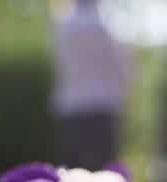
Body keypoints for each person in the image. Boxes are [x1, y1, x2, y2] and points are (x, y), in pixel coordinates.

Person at [51, 0, 130, 170]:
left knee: (72, 174)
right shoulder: (107, 27)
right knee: (105, 174)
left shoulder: (62, 26)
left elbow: (59, 65)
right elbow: (123, 70)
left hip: (71, 109)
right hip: (102, 109)